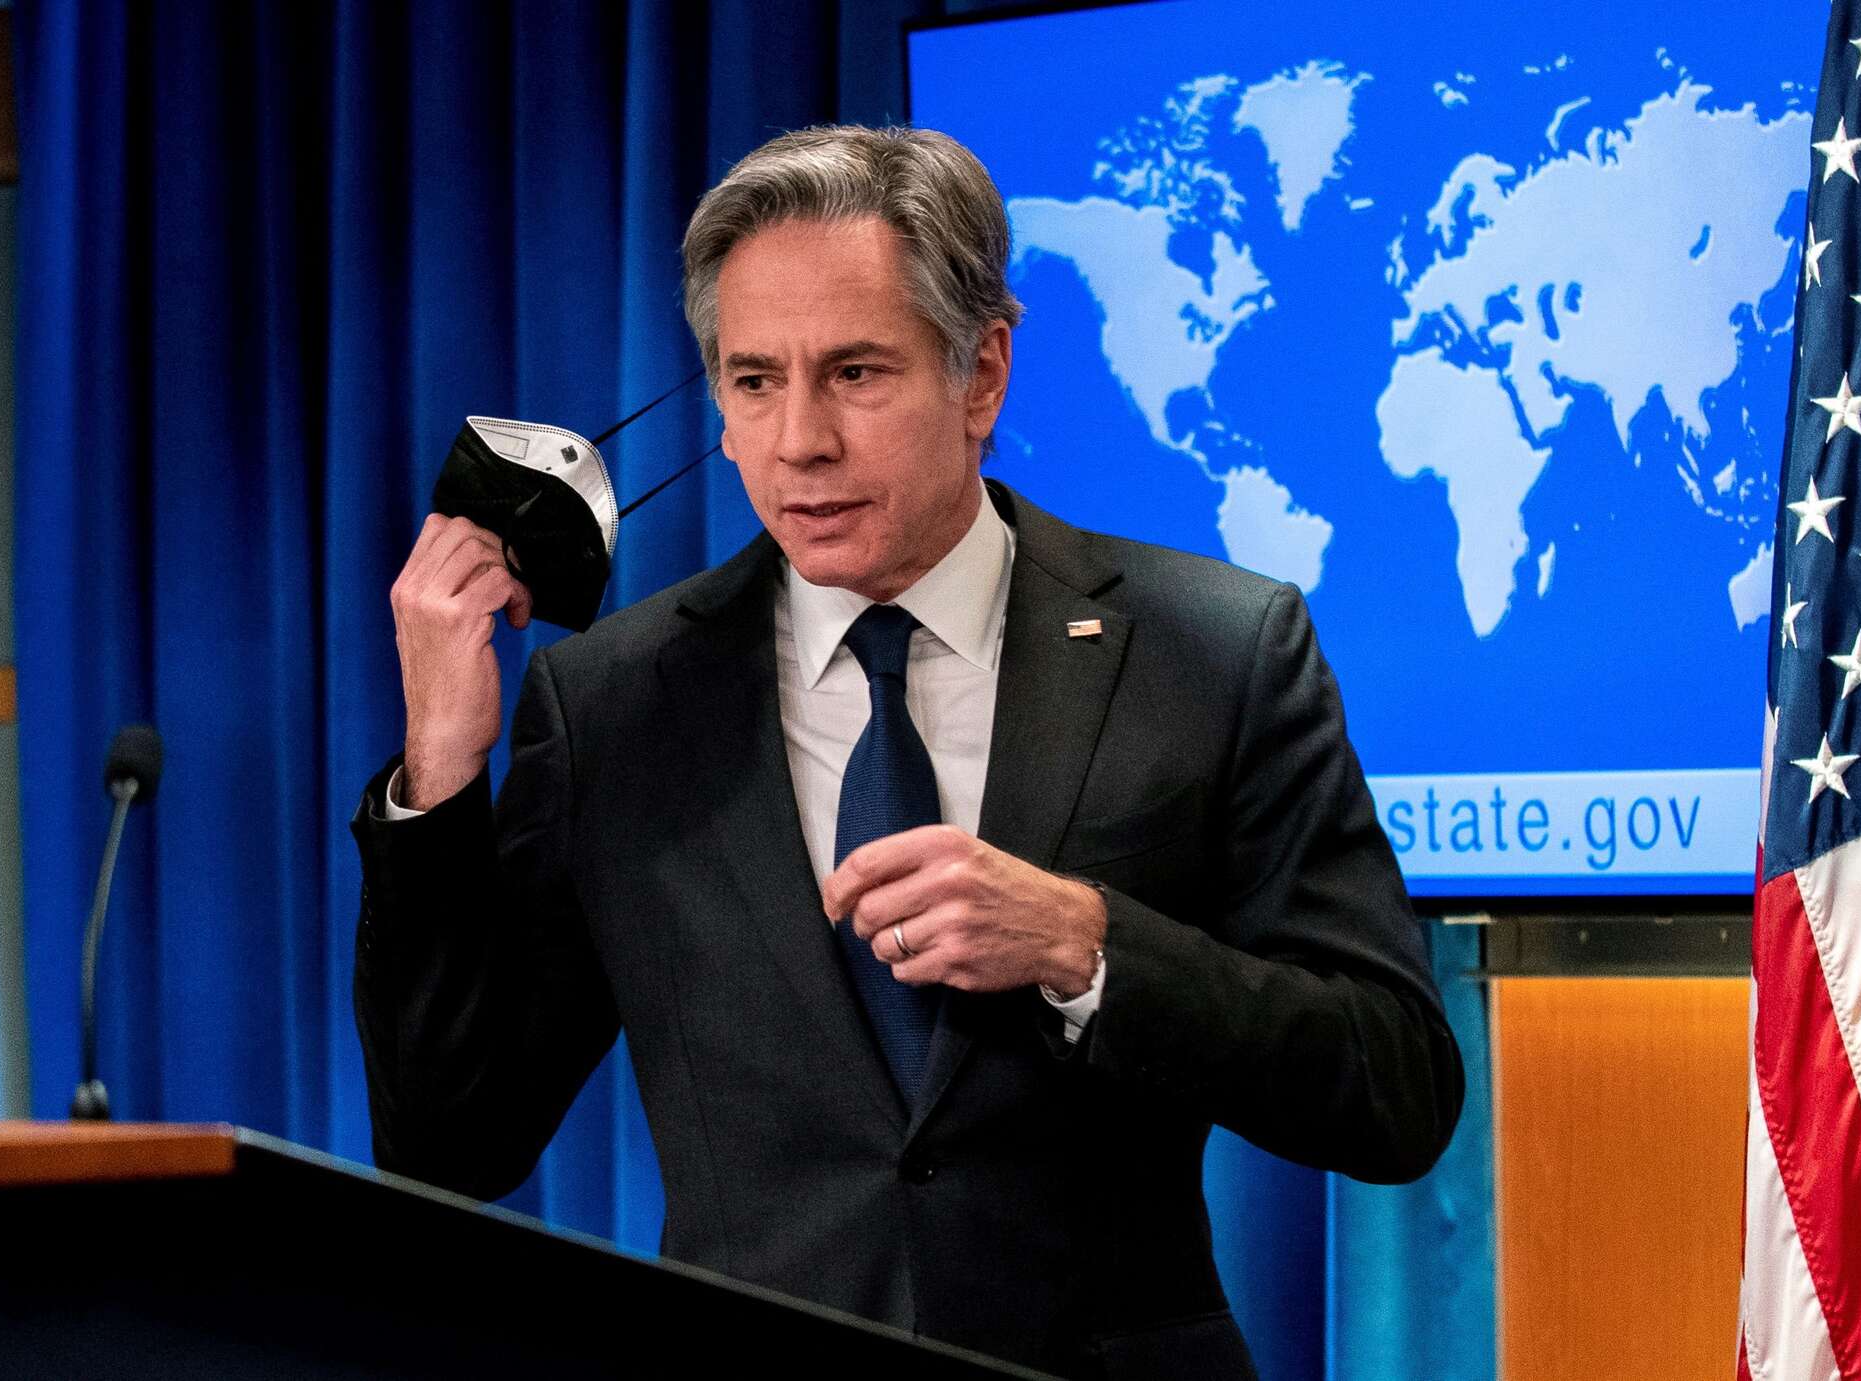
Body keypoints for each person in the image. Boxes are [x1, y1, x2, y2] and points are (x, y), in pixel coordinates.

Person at [352, 125, 1462, 1380]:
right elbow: (449, 1143)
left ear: (980, 372)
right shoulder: (612, 702)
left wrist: (1086, 945)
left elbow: (1394, 1087)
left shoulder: (1214, 649)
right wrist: (437, 773)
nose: (798, 441)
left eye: (855, 373)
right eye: (753, 381)